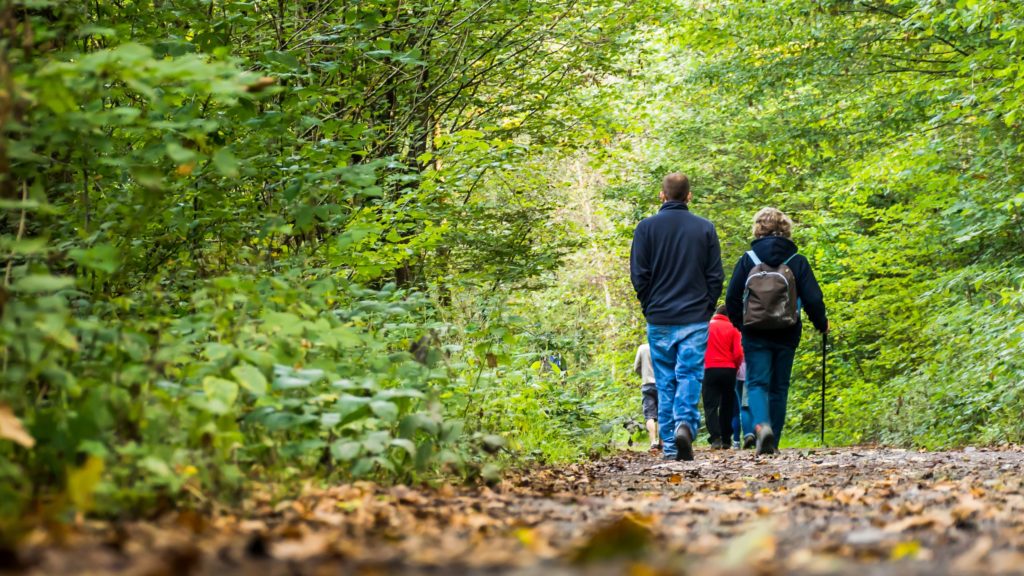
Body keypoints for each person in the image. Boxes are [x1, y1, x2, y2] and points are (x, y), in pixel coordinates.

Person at [630, 173, 724, 461]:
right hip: (695, 317)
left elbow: (639, 275)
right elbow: (715, 276)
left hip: (659, 317)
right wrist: (707, 307)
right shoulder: (705, 229)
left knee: (666, 380)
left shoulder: (645, 229)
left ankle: (671, 445)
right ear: (689, 196)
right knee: (690, 375)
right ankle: (685, 423)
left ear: (662, 195)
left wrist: (649, 305)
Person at [725, 207, 828, 455]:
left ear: (758, 229)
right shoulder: (796, 261)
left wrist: (741, 324)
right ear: (786, 230)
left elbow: (731, 298)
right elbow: (813, 298)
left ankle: (762, 427)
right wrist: (821, 323)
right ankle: (774, 440)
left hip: (755, 332)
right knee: (779, 387)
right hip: (787, 330)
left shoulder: (748, 259)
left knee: (757, 383)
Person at [702, 305, 743, 449]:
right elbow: (738, 353)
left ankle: (715, 437)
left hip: (709, 369)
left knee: (710, 405)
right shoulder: (733, 328)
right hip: (728, 370)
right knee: (727, 405)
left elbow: (699, 348)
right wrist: (735, 367)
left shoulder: (706, 327)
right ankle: (726, 438)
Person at [633, 343, 660, 451]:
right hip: (662, 384)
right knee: (662, 414)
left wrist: (643, 375)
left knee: (650, 415)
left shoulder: (642, 348)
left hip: (647, 384)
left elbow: (636, 367)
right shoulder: (662, 346)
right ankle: (662, 443)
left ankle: (653, 442)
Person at [736, 361, 755, 449]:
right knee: (755, 406)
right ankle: (756, 437)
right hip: (754, 371)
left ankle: (748, 434)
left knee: (744, 407)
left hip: (740, 373)